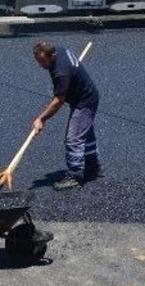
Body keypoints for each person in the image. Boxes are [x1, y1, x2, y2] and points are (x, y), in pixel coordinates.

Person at [30, 41, 102, 191]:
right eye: (38, 61)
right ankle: (92, 167)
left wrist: (41, 119)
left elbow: (58, 101)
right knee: (85, 134)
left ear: (52, 55)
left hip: (84, 101)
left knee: (74, 138)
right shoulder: (59, 49)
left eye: (42, 61)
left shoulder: (61, 72)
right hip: (82, 95)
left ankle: (75, 176)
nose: (40, 65)